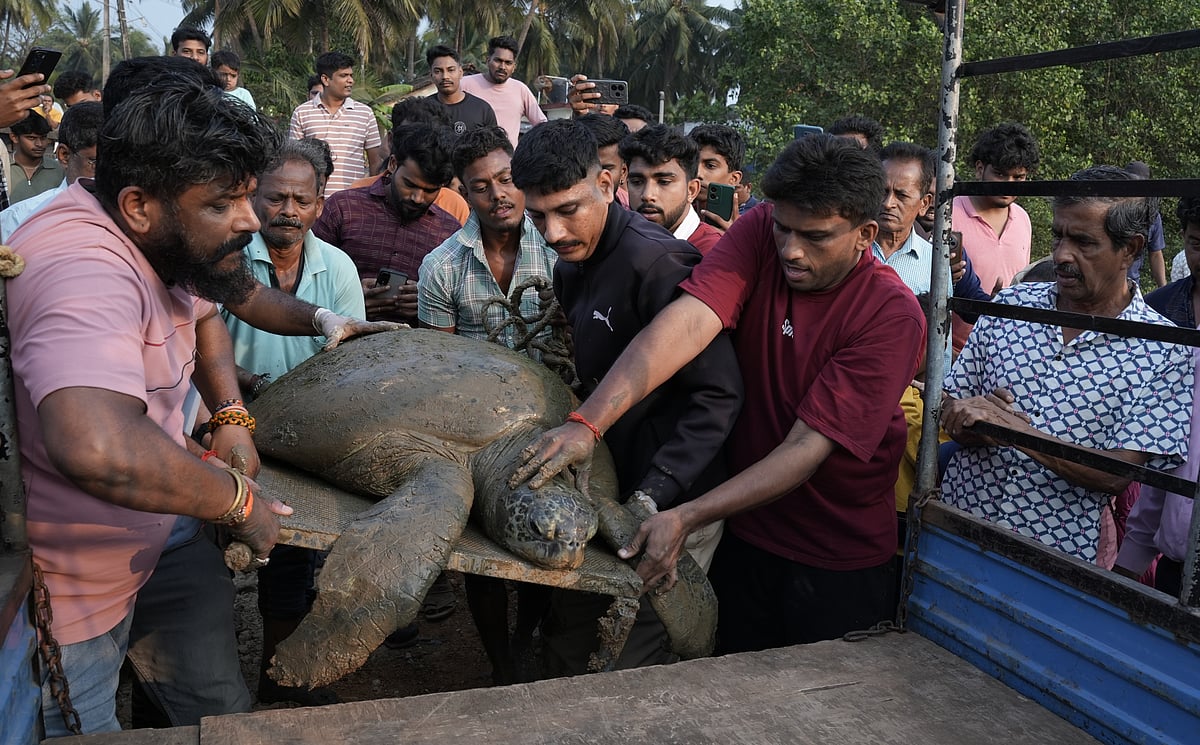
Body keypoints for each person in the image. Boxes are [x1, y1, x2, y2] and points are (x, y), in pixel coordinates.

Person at [511, 133, 923, 654]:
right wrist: (587, 423)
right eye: (784, 228)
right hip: (746, 529)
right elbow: (686, 323)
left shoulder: (891, 315)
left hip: (832, 550)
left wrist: (686, 515)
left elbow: (804, 451)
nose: (791, 249)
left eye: (815, 237)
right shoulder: (758, 232)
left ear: (866, 234)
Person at [7, 76, 289, 738]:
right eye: (225, 204)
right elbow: (97, 444)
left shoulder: (167, 238)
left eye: (248, 196)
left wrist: (229, 417)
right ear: (137, 204)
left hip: (167, 533)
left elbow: (208, 311)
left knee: (218, 709)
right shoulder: (81, 264)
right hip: (70, 593)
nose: (251, 221)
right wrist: (238, 501)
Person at [511, 118, 743, 671]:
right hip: (613, 480)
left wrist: (656, 498)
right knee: (575, 625)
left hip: (677, 491)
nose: (554, 232)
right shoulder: (571, 263)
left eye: (568, 210)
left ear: (609, 184)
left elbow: (719, 397)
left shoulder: (660, 263)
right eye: (538, 217)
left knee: (642, 645)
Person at [941, 165, 1193, 565]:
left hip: (1055, 570)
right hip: (954, 538)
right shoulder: (1010, 307)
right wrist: (969, 420)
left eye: (1083, 242)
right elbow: (951, 403)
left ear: (1131, 248)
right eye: (1058, 235)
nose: (1061, 255)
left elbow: (1116, 473)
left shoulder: (1165, 349)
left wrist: (1015, 430)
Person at [221, 138, 364, 705]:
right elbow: (197, 349)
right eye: (275, 197)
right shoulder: (226, 258)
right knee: (209, 567)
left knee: (289, 575)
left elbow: (349, 359)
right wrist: (251, 389)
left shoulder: (338, 267)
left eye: (300, 200)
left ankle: (274, 692)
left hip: (303, 441)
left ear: (319, 204)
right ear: (253, 196)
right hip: (225, 426)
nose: (287, 210)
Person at [1114, 195, 1200, 596]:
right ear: (1182, 239)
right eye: (1198, 244)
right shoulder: (1159, 312)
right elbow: (1164, 462)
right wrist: (1131, 560)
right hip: (1175, 562)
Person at [313, 122, 459, 323]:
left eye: (430, 190)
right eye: (409, 184)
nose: (417, 198)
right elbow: (308, 279)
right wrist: (349, 300)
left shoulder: (449, 232)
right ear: (392, 164)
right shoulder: (342, 208)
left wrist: (429, 303)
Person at [950, 122, 1040, 351]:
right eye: (1000, 174)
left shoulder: (1023, 219)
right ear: (980, 169)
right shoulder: (950, 214)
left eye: (1018, 178)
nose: (1008, 185)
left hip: (1007, 346)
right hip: (953, 349)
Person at [347, 95, 470, 226]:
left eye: (429, 191)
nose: (417, 198)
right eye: (410, 139)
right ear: (391, 140)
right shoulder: (355, 196)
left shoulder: (454, 206)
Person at [0, 101, 100, 240]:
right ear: (64, 156)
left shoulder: (131, 219)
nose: (109, 176)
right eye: (96, 163)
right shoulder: (17, 219)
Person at [288, 51, 384, 195]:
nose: (350, 80)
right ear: (326, 80)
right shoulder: (302, 113)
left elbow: (375, 163)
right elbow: (294, 161)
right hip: (313, 201)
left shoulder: (365, 113)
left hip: (353, 201)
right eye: (344, 76)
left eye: (351, 75)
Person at [620, 123, 722, 254]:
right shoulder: (618, 243)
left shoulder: (713, 253)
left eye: (664, 182)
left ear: (691, 190)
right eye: (637, 182)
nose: (647, 195)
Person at [460, 35, 547, 150]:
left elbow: (542, 126)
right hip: (470, 160)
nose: (502, 67)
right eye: (498, 60)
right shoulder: (464, 84)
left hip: (508, 164)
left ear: (514, 67)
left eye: (508, 63)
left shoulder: (521, 90)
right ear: (488, 60)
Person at [426, 45, 497, 136]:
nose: (445, 77)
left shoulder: (482, 109)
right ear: (431, 75)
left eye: (451, 70)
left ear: (460, 72)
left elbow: (495, 147)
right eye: (438, 71)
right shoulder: (421, 110)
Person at [688, 123, 744, 231]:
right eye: (692, 163)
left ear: (734, 179)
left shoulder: (748, 231)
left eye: (710, 166)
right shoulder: (673, 218)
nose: (698, 173)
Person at [1124, 161, 1167, 288]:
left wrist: (1163, 289)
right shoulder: (1110, 210)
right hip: (1104, 284)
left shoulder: (1152, 216)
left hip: (1131, 285)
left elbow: (1155, 253)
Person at [575, 112, 629, 208]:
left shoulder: (635, 218)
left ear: (623, 172)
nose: (595, 179)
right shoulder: (546, 217)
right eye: (584, 168)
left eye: (606, 169)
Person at [7, 111, 59, 204]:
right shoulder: (3, 170)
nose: (39, 144)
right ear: (14, 137)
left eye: (43, 138)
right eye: (31, 138)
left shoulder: (60, 170)